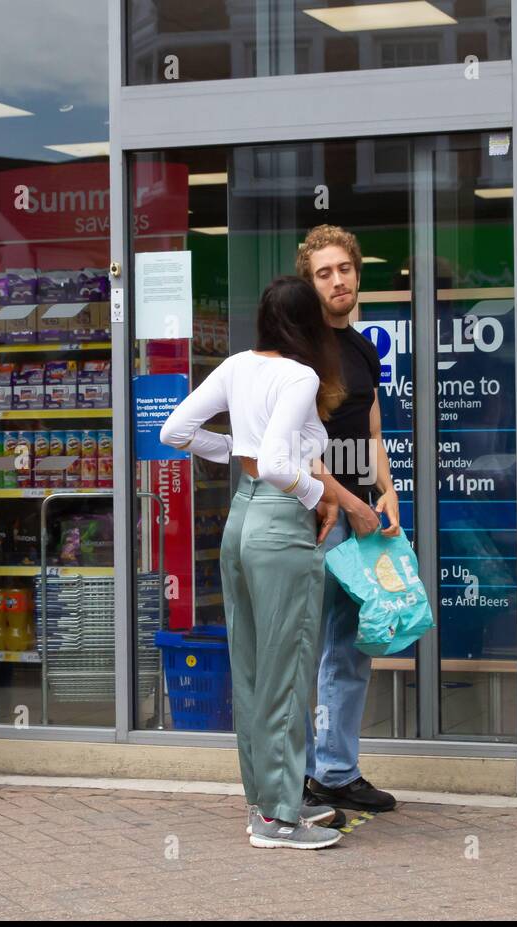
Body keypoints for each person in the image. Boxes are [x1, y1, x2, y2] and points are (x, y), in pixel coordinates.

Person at [160, 276, 351, 849]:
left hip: (241, 520)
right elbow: (275, 462)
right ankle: (278, 818)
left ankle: (268, 803)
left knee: (251, 667)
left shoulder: (238, 366)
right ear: (307, 323)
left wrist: (231, 455)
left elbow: (175, 431)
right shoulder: (300, 375)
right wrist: (322, 497)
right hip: (280, 519)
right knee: (289, 668)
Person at [297, 225, 401, 814]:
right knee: (305, 649)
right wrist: (354, 504)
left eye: (344, 269)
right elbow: (303, 455)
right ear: (310, 283)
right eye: (324, 272)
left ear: (358, 273)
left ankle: (337, 771)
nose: (338, 280)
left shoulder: (363, 348)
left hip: (363, 515)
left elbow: (372, 430)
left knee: (352, 648)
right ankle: (300, 775)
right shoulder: (302, 354)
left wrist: (387, 492)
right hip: (319, 515)